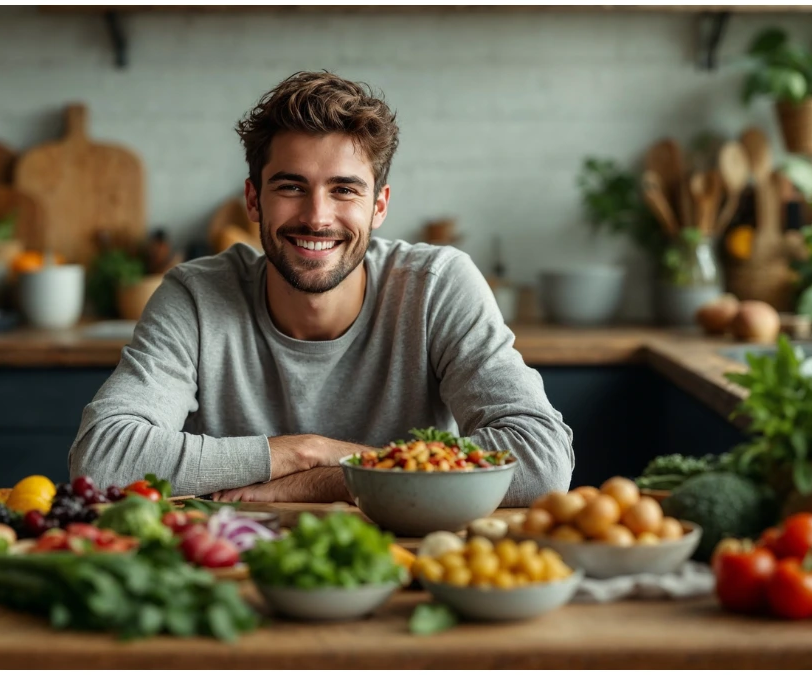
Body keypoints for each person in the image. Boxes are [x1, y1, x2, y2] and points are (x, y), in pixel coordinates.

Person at [68, 71, 573, 504]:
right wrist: (299, 450)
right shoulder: (195, 297)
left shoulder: (436, 287)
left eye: (344, 189)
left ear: (379, 205)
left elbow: (541, 462)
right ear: (253, 200)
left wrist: (328, 475)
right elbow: (103, 459)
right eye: (291, 187)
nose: (316, 217)